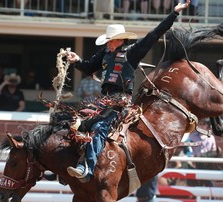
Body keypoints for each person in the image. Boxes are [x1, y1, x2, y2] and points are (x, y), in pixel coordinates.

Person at [66, 1, 191, 182]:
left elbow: (154, 34)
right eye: (107, 41)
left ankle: (87, 168)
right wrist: (76, 60)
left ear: (119, 40)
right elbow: (88, 67)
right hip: (104, 99)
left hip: (120, 101)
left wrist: (174, 13)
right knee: (75, 122)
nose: (108, 44)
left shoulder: (132, 52)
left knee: (100, 127)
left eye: (110, 40)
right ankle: (62, 168)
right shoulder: (105, 54)